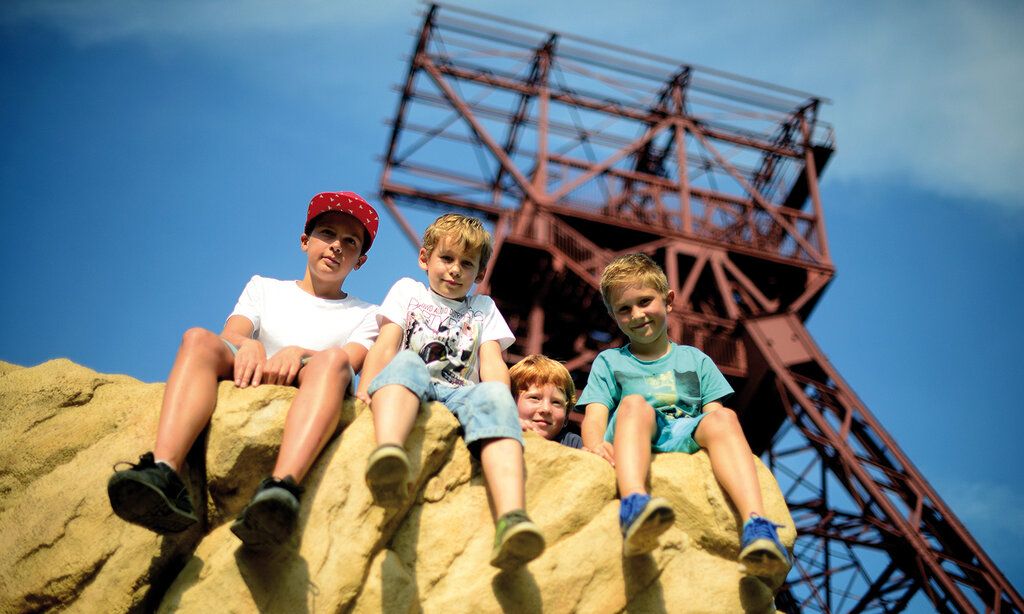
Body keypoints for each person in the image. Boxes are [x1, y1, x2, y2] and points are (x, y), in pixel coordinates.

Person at [107, 191, 380, 550]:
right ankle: (163, 472)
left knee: (331, 361)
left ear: (359, 261)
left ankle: (281, 490)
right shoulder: (264, 287)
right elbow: (232, 334)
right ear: (304, 242)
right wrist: (248, 343)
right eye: (327, 234)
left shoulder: (367, 313)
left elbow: (351, 359)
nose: (336, 247)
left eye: (350, 242)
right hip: (255, 368)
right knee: (197, 339)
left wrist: (298, 354)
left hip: (318, 378)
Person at [577, 253, 791, 577]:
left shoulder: (696, 359)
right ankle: (634, 503)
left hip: (683, 433)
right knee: (635, 403)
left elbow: (713, 417)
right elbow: (595, 414)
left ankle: (756, 525)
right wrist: (593, 445)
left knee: (725, 418)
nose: (637, 314)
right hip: (634, 430)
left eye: (645, 301)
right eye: (624, 309)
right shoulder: (610, 361)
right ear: (613, 315)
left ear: (668, 300)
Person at [355, 213, 544, 571]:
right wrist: (363, 392)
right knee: (407, 362)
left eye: (467, 264)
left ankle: (511, 518)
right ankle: (389, 455)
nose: (455, 270)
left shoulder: (482, 307)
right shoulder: (408, 291)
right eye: (447, 258)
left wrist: (503, 407)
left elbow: (492, 365)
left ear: (479, 274)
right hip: (411, 385)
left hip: (461, 394)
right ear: (425, 258)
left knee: (492, 394)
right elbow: (385, 346)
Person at [509, 354, 582, 449]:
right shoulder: (497, 438)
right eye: (535, 398)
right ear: (510, 402)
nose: (546, 409)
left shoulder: (574, 445)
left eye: (556, 402)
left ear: (566, 417)